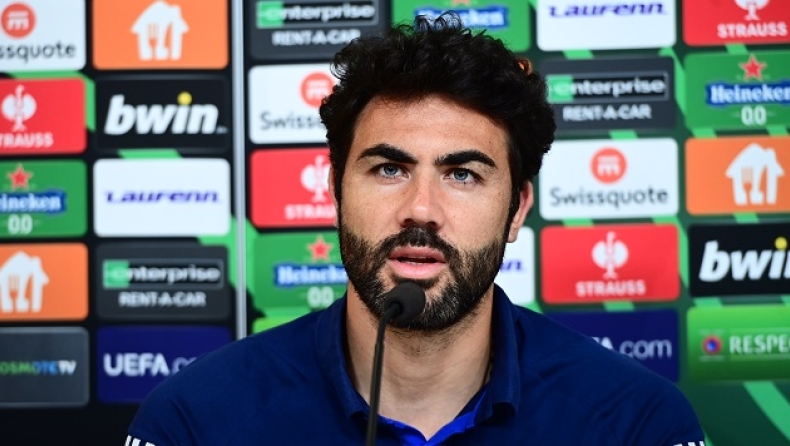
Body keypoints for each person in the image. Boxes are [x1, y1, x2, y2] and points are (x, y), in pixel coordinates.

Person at [126, 13, 706, 445]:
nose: (421, 209)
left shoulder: (640, 424)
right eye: (389, 169)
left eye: (463, 174)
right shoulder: (192, 422)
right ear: (335, 190)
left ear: (517, 208)